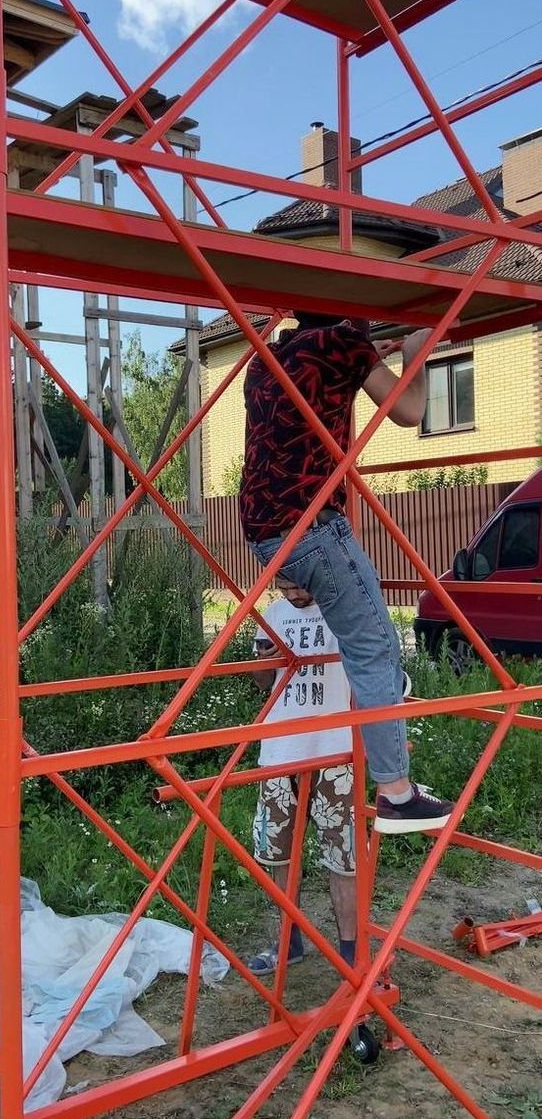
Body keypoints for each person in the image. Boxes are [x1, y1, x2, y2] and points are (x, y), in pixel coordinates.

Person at [240, 312, 452, 835]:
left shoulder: (265, 359)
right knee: (374, 646)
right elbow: (409, 411)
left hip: (264, 531)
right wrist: (416, 355)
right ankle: (396, 793)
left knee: (367, 645)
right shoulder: (346, 342)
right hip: (312, 524)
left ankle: (383, 696)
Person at [249, 577, 358, 975]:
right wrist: (268, 661)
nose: (293, 595)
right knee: (278, 853)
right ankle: (289, 942)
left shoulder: (341, 610)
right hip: (281, 751)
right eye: (284, 588)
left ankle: (351, 954)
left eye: (298, 586)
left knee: (343, 857)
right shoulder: (273, 615)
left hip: (334, 749)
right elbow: (263, 682)